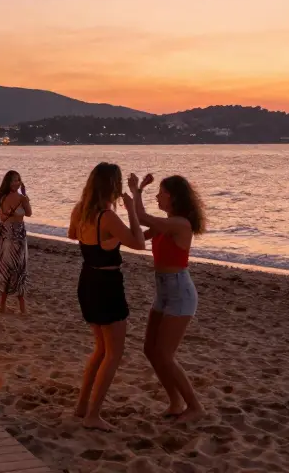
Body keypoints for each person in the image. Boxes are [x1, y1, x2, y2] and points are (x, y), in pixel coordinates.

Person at [69, 162, 146, 431]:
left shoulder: (80, 211)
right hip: (107, 284)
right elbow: (138, 243)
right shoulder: (107, 216)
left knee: (101, 349)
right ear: (112, 186)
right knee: (114, 353)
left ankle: (82, 407)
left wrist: (111, 238)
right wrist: (132, 211)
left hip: (87, 280)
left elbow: (72, 235)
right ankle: (93, 415)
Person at [132, 173, 206, 422]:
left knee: (164, 354)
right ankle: (175, 402)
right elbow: (139, 236)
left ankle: (194, 406)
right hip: (163, 291)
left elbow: (142, 217)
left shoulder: (180, 224)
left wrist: (137, 193)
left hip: (179, 293)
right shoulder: (166, 223)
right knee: (150, 350)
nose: (157, 196)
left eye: (160, 192)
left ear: (172, 197)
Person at [0, 170, 32, 314]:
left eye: (18, 180)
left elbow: (27, 213)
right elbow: (4, 217)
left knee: (16, 267)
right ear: (8, 182)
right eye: (14, 180)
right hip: (11, 236)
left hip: (14, 235)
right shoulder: (11, 198)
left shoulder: (14, 198)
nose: (16, 183)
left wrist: (25, 197)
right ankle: (9, 306)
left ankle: (17, 306)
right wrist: (12, 212)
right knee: (12, 267)